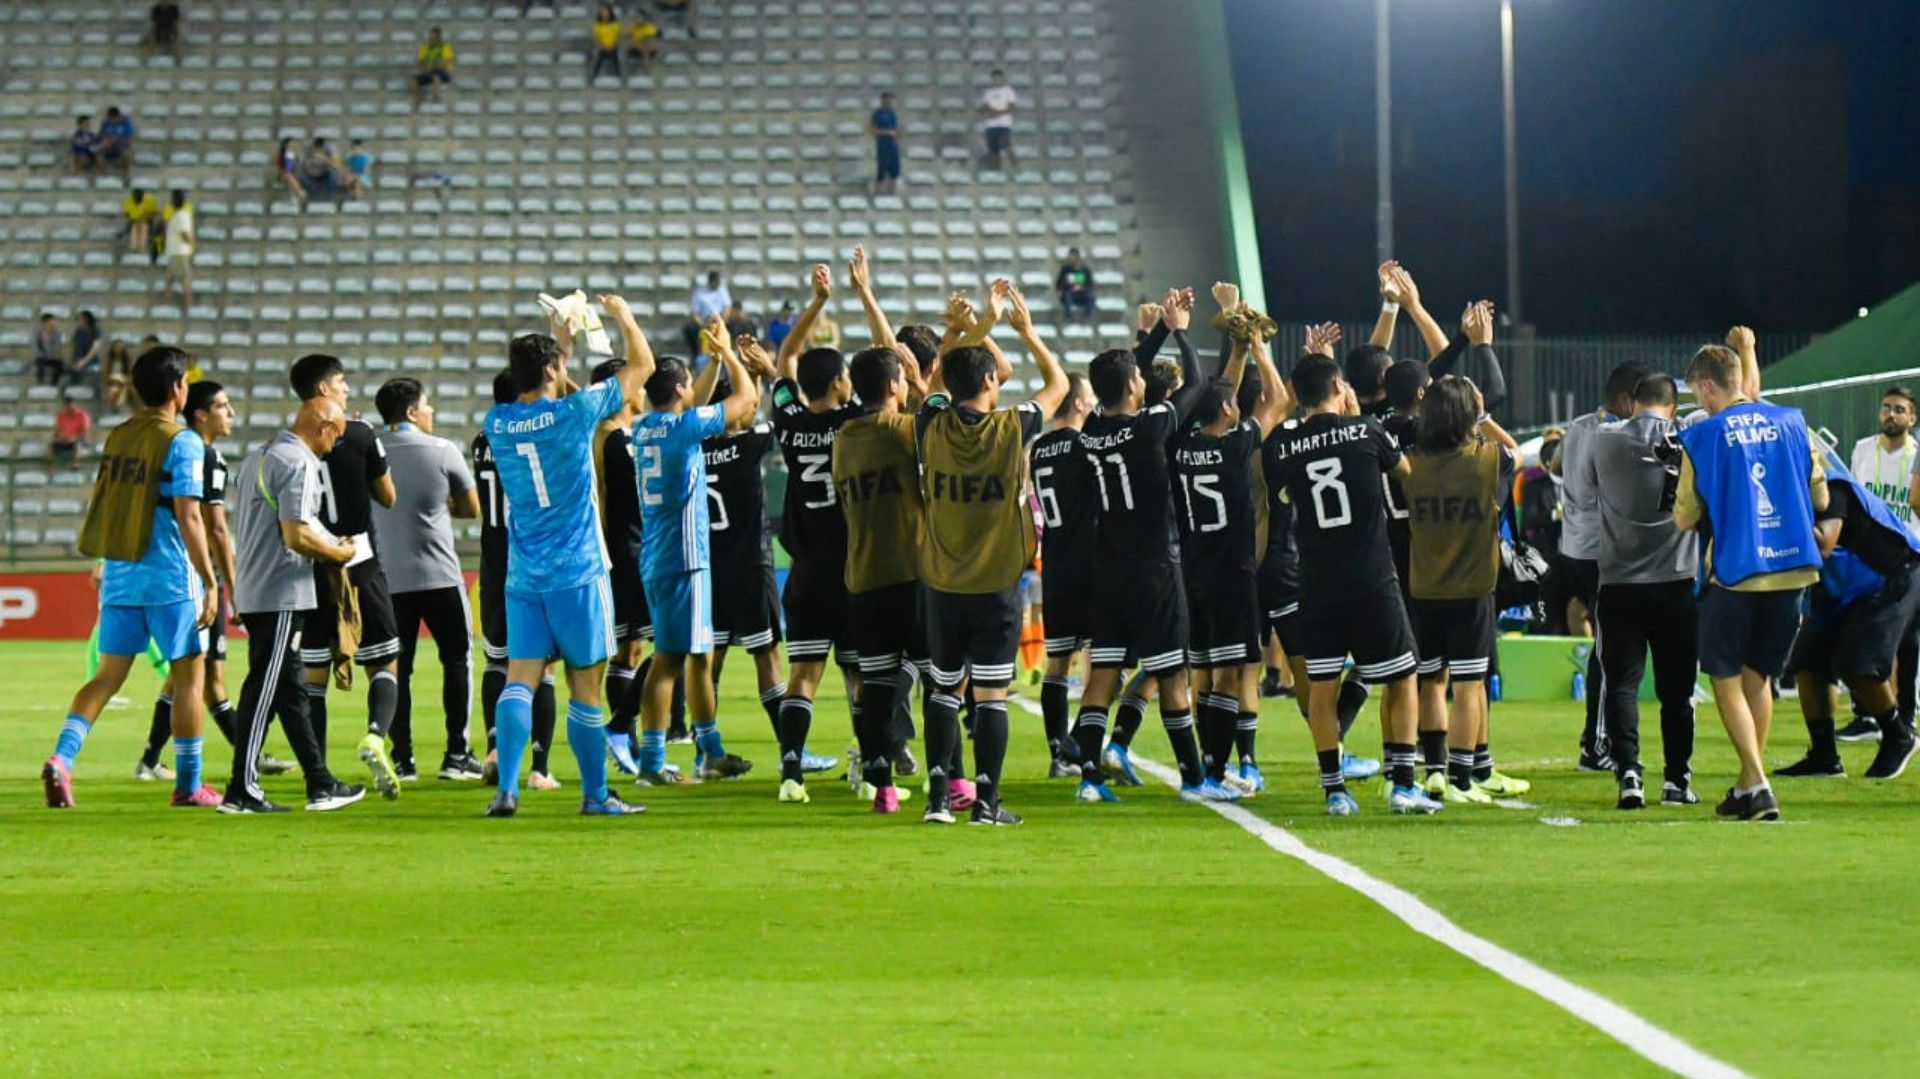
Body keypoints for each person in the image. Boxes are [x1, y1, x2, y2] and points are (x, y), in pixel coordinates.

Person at [481, 295, 656, 818]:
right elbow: (641, 366)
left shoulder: (498, 422)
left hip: (524, 574)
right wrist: (622, 316)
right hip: (578, 571)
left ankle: (507, 788)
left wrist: (564, 345)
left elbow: (547, 393)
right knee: (586, 682)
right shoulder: (575, 414)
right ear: (555, 370)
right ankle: (595, 795)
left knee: (520, 678)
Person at [915, 281, 1069, 825]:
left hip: (942, 582)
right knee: (992, 695)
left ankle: (937, 799)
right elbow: (1059, 383)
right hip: (998, 583)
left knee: (942, 690)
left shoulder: (928, 425)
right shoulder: (1011, 427)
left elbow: (935, 377)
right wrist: (1021, 329)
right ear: (989, 381)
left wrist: (967, 327)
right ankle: (987, 801)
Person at [43, 348, 221, 809]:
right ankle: (188, 785)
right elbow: (190, 515)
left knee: (105, 677)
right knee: (188, 677)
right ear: (178, 388)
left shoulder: (119, 436)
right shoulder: (182, 441)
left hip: (121, 571)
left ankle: (62, 760)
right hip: (167, 576)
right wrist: (211, 578)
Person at [1264, 351, 1441, 816]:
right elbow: (1408, 477)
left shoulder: (1283, 445)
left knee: (1323, 686)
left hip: (1317, 581)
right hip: (1371, 578)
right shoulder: (1367, 431)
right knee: (1403, 677)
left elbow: (1279, 482)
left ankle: (1334, 790)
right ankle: (1403, 784)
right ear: (1340, 386)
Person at [1063, 286, 1220, 804]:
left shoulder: (1088, 433)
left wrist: (1150, 336)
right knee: (1173, 675)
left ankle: (1089, 778)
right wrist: (1177, 330)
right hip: (1155, 567)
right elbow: (1198, 382)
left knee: (1101, 677)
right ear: (1135, 387)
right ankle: (1195, 780)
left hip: (1107, 569)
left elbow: (1121, 379)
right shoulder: (1151, 426)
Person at [1672, 331, 1826, 822]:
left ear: (1708, 387)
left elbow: (1683, 518)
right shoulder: (1794, 423)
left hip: (1736, 572)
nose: (1699, 402)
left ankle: (1757, 782)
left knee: (1724, 674)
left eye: (1697, 392)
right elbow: (1820, 499)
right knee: (1761, 676)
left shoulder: (1702, 436)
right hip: (1794, 568)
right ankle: (1747, 785)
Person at [136, 381, 294, 782]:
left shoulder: (188, 451)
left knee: (188, 674)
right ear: (201, 413)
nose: (231, 414)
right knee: (207, 677)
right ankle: (249, 757)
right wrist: (232, 586)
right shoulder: (205, 457)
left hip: (185, 573)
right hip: (196, 577)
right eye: (223, 406)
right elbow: (216, 528)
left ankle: (152, 759)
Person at [1169, 284, 1290, 796]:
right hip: (1234, 575)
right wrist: (1258, 342)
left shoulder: (1178, 446)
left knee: (1207, 674)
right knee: (1232, 675)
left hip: (1193, 574)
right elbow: (1280, 401)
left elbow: (1217, 392)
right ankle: (1215, 772)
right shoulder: (1240, 445)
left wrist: (1234, 345)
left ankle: (1204, 771)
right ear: (1230, 415)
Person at [221, 398, 367, 814]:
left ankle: (320, 783)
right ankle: (241, 789)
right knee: (263, 690)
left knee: (290, 692)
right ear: (323, 427)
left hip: (256, 587)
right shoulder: (299, 464)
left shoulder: (258, 457)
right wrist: (338, 554)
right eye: (336, 435)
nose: (334, 446)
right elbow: (296, 535)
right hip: (280, 592)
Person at [633, 318, 760, 789]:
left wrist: (706, 362)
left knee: (699, 656)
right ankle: (652, 762)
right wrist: (727, 355)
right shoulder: (683, 431)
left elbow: (698, 403)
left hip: (660, 555)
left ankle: (711, 753)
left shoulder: (647, 427)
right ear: (681, 392)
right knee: (669, 659)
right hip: (685, 560)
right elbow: (744, 401)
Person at [287, 354, 411, 795]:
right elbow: (389, 497)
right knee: (384, 660)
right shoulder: (359, 433)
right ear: (323, 390)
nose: (345, 389)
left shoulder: (291, 443)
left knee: (314, 675)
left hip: (312, 566)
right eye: (340, 382)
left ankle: (318, 772)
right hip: (358, 560)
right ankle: (376, 735)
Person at [768, 264, 866, 801]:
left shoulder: (789, 421)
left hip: (804, 570)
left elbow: (785, 361)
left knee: (804, 673)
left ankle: (790, 773)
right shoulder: (853, 420)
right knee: (856, 675)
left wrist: (816, 304)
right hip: (850, 567)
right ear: (837, 383)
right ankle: (866, 761)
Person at [1403, 374, 1524, 806]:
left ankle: (1434, 771)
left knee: (1431, 681)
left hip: (1423, 586)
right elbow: (1516, 451)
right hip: (1472, 587)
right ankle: (1460, 775)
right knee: (1470, 684)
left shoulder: (1410, 462)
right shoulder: (1487, 459)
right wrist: (1484, 416)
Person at [1586, 373, 1700, 808]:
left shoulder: (1604, 439)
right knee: (1677, 692)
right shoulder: (1691, 436)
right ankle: (1676, 780)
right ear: (1672, 406)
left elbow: (1582, 484)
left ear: (1633, 403)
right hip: (1675, 580)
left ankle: (1629, 773)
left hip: (1620, 583)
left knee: (1622, 683)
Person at [832, 333, 933, 815]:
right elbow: (938, 423)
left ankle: (882, 788)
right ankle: (949, 778)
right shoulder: (903, 432)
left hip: (863, 577)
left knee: (875, 686)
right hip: (912, 572)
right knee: (939, 680)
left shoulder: (844, 440)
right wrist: (918, 379)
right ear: (895, 383)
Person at [1775, 447, 1920, 781]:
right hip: (1839, 590)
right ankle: (1825, 756)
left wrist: (1773, 520)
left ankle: (1898, 734)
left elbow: (1824, 543)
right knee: (1807, 664)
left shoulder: (1832, 487)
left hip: (1891, 577)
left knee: (1858, 665)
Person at [372, 378, 483, 787]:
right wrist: (438, 504)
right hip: (439, 575)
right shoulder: (442, 451)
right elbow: (472, 507)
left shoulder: (373, 452)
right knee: (457, 661)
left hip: (390, 580)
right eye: (427, 404)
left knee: (398, 670)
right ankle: (457, 754)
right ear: (411, 413)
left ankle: (403, 760)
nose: (431, 410)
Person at [702, 338, 798, 780]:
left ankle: (707, 752)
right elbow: (781, 413)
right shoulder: (749, 445)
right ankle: (790, 751)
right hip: (749, 567)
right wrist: (768, 370)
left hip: (710, 569)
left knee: (710, 661)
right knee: (768, 658)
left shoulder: (694, 450)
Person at [1555, 361, 1647, 771]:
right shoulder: (1615, 435)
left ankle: (1597, 742)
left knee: (1606, 648)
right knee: (1612, 653)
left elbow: (1555, 466)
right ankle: (1595, 746)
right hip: (1601, 552)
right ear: (1628, 400)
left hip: (1574, 546)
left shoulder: (1578, 425)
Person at [472, 372, 561, 787]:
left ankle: (493, 747)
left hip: (492, 560)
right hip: (531, 558)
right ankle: (539, 768)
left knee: (497, 659)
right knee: (541, 668)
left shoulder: (482, 440)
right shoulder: (533, 439)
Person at [1031, 370, 1098, 775]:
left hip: (1054, 561)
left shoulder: (1039, 449)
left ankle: (1059, 750)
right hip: (1088, 562)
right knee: (1104, 660)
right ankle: (1081, 743)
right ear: (1077, 402)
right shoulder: (1082, 446)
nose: (1093, 402)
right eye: (1089, 396)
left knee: (1057, 661)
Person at [682, 270, 730, 358]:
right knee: (689, 329)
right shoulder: (699, 292)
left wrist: (722, 322)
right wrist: (703, 325)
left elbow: (727, 308)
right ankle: (697, 355)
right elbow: (695, 313)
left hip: (719, 320)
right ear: (710, 281)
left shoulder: (722, 291)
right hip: (704, 321)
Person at [161, 190, 196, 310]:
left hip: (172, 253)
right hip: (180, 254)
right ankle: (187, 307)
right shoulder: (183, 216)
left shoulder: (174, 216)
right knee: (185, 281)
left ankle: (166, 306)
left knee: (169, 280)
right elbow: (185, 235)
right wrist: (193, 244)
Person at [978, 69, 1017, 171]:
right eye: (995, 79)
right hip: (991, 125)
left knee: (1005, 145)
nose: (997, 80)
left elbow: (1012, 107)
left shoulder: (1008, 91)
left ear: (1002, 78)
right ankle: (995, 171)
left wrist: (998, 113)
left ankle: (1016, 167)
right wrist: (988, 111)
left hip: (1004, 124)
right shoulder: (988, 92)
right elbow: (984, 107)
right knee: (993, 150)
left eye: (999, 78)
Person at [412, 26, 454, 110]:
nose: (432, 38)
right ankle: (418, 102)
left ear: (438, 37)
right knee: (413, 80)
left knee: (436, 76)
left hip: (443, 73)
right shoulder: (425, 47)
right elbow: (420, 62)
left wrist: (432, 65)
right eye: (431, 36)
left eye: (434, 37)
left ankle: (437, 102)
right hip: (428, 72)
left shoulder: (445, 47)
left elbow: (445, 63)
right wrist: (426, 66)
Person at [869, 91, 901, 196]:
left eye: (891, 100)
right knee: (882, 170)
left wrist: (896, 137)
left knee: (894, 171)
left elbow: (896, 129)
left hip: (893, 145)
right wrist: (888, 133)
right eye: (887, 100)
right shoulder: (877, 114)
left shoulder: (892, 113)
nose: (889, 102)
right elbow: (873, 131)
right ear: (883, 100)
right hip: (883, 145)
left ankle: (891, 194)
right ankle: (877, 193)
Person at [589, 5, 624, 85]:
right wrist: (602, 46)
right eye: (602, 12)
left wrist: (613, 45)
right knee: (598, 58)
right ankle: (594, 77)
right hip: (602, 47)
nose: (604, 13)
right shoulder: (597, 24)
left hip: (613, 47)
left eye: (605, 11)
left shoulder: (616, 24)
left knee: (616, 58)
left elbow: (617, 37)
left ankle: (619, 77)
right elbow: (596, 38)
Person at [68, 310, 103, 392]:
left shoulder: (95, 331)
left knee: (93, 375)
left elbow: (94, 349)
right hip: (77, 362)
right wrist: (73, 363)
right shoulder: (78, 332)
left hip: (91, 362)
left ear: (86, 320)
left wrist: (83, 362)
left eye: (79, 320)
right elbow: (73, 347)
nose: (77, 322)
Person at [1055, 249, 1094, 321]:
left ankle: (1087, 317)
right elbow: (1058, 284)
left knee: (1090, 297)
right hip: (1069, 294)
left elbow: (1090, 284)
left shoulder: (1085, 270)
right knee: (1067, 295)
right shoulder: (1065, 270)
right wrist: (1067, 286)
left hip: (1082, 294)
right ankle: (1068, 317)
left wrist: (1081, 287)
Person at [49, 396, 91, 462]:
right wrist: (60, 437)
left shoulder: (82, 415)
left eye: (70, 405)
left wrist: (73, 438)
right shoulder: (61, 416)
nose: (69, 407)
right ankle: (50, 470)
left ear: (75, 405)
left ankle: (76, 467)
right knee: (52, 446)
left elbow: (84, 433)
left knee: (77, 445)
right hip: (65, 440)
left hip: (79, 440)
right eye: (67, 405)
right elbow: (56, 432)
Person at [298, 139, 340, 203]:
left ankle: (329, 199)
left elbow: (336, 166)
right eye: (316, 149)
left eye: (320, 149)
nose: (318, 150)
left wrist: (324, 159)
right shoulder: (307, 152)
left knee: (334, 174)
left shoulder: (327, 152)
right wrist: (312, 169)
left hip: (324, 176)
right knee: (301, 175)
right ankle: (313, 198)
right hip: (311, 176)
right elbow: (304, 167)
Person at [625, 7, 661, 74]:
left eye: (639, 17)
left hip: (648, 49)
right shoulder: (632, 28)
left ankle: (646, 71)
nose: (637, 19)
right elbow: (629, 40)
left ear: (644, 18)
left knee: (646, 46)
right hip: (635, 49)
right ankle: (644, 70)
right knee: (639, 45)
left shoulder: (650, 27)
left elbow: (652, 40)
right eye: (636, 17)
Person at [99, 107, 135, 176]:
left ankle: (126, 174)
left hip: (121, 146)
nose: (112, 121)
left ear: (118, 116)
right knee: (98, 155)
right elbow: (101, 136)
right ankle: (104, 175)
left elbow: (130, 138)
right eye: (110, 118)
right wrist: (105, 141)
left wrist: (118, 140)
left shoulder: (126, 123)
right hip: (108, 147)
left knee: (126, 155)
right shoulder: (106, 123)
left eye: (113, 119)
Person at [33, 313, 65, 387]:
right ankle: (40, 385)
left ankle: (53, 385)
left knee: (59, 365)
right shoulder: (37, 335)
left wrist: (48, 343)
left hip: (54, 358)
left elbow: (57, 348)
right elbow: (35, 350)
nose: (52, 325)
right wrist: (46, 355)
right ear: (44, 324)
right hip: (42, 358)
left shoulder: (57, 334)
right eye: (50, 323)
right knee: (40, 365)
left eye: (53, 323)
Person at [101, 340, 134, 411]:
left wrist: (126, 379)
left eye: (120, 347)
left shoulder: (128, 359)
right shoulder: (109, 359)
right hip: (111, 380)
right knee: (113, 388)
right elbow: (105, 373)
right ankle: (115, 407)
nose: (118, 349)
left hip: (123, 380)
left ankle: (117, 406)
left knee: (122, 388)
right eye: (116, 347)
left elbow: (130, 373)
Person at [275, 138, 307, 205]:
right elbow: (279, 168)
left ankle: (297, 193)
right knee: (288, 175)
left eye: (291, 144)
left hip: (293, 174)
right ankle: (299, 192)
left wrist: (297, 160)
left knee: (291, 176)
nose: (291, 146)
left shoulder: (294, 155)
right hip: (284, 174)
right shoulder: (281, 155)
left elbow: (299, 164)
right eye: (289, 145)